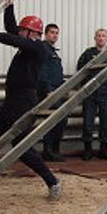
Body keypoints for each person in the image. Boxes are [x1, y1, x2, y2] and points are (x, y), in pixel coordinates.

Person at [0, 4, 61, 199]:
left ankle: (52, 181)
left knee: (22, 148)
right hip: (12, 101)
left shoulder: (38, 47)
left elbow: (11, 38)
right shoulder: (27, 43)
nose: (19, 32)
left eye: (23, 30)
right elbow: (11, 29)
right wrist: (9, 5)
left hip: (23, 102)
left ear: (31, 33)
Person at [77, 28, 107, 161]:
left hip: (106, 94)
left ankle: (103, 150)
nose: (101, 38)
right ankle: (88, 150)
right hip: (90, 93)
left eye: (103, 36)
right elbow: (80, 71)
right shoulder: (88, 53)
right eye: (99, 36)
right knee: (88, 122)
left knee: (105, 122)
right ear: (95, 38)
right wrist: (86, 86)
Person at [38, 23, 67, 162]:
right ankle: (49, 151)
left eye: (56, 33)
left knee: (59, 120)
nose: (54, 35)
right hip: (49, 92)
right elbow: (42, 72)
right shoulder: (44, 49)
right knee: (53, 121)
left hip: (57, 91)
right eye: (52, 32)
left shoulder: (53, 51)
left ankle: (53, 150)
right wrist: (48, 90)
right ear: (45, 34)